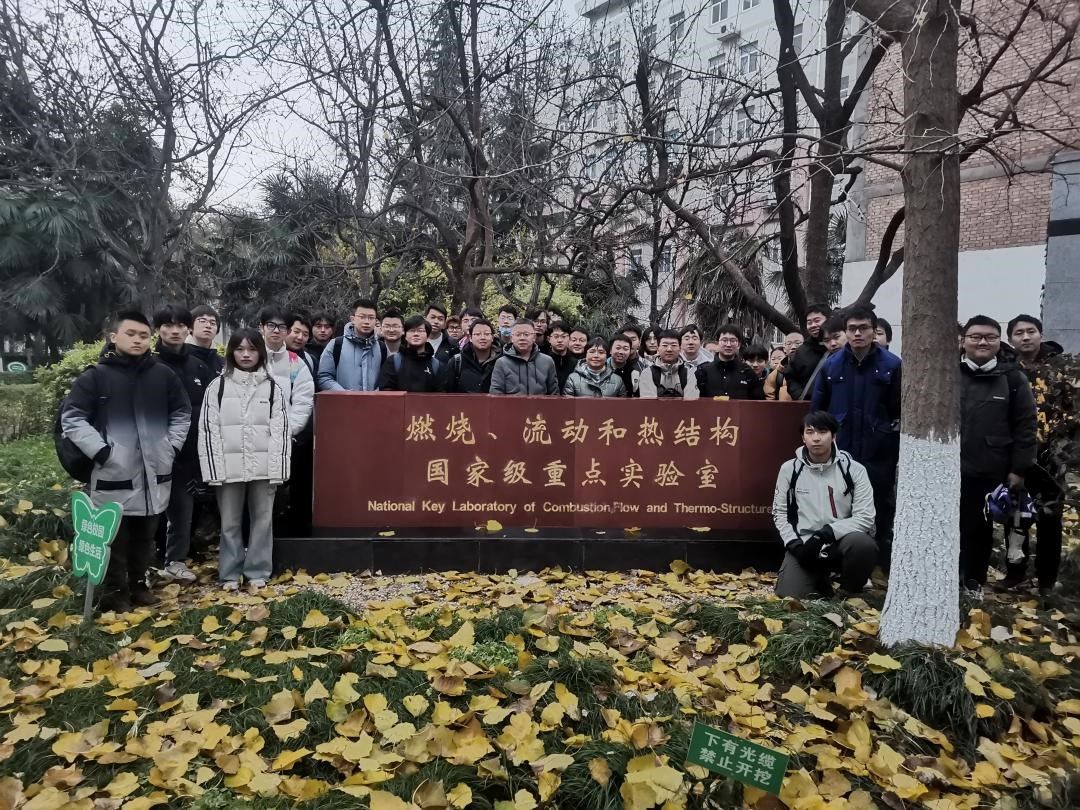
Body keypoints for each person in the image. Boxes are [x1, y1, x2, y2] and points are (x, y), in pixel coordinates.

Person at [61, 311, 191, 611]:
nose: (137, 340)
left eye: (144, 335)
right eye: (130, 334)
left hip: (154, 472)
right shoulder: (95, 376)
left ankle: (139, 586)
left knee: (145, 536)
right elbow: (73, 418)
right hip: (113, 472)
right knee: (114, 538)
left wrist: (170, 446)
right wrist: (102, 452)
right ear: (113, 336)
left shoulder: (163, 375)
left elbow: (181, 413)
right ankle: (116, 593)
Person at [198, 329, 290, 593]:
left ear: (260, 352)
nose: (246, 355)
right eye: (240, 349)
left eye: (251, 349)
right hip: (229, 468)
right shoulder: (217, 387)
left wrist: (279, 469)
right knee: (229, 522)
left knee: (262, 520)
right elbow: (208, 430)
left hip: (264, 467)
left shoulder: (272, 387)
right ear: (231, 353)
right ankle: (229, 573)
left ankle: (258, 571)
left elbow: (281, 431)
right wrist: (213, 470)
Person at [811, 305, 902, 562]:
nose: (858, 334)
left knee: (880, 504)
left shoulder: (892, 365)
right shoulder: (832, 365)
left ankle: (881, 559)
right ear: (846, 332)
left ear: (874, 331)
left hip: (879, 450)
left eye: (864, 328)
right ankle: (841, 559)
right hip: (843, 448)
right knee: (838, 503)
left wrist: (888, 434)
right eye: (852, 329)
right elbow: (818, 410)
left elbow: (899, 409)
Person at [959, 315, 1038, 598]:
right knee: (951, 525)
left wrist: (1019, 468)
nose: (982, 342)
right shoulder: (949, 374)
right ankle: (949, 578)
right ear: (963, 341)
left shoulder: (1013, 379)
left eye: (990, 337)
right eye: (975, 337)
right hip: (950, 467)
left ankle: (973, 582)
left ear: (999, 341)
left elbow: (1026, 427)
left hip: (991, 468)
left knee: (980, 529)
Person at [773, 411, 878, 598]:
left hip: (843, 541)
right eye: (810, 432)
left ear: (833, 436)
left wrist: (826, 533)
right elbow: (779, 513)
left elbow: (865, 517)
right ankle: (820, 579)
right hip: (805, 545)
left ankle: (849, 590)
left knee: (863, 545)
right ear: (803, 437)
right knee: (789, 595)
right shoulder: (789, 469)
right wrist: (795, 545)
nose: (816, 438)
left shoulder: (854, 470)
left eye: (822, 432)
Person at [1004, 314, 1065, 593]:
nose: (1026, 337)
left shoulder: (1061, 368)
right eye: (1019, 333)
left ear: (1041, 333)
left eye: (1031, 331)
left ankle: (1046, 579)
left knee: (1050, 517)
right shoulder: (1006, 370)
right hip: (1016, 452)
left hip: (1051, 456)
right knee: (1015, 515)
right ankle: (1015, 572)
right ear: (1010, 339)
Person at [152, 305, 214, 583]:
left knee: (182, 512)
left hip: (190, 452)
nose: (174, 331)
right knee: (150, 512)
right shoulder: (148, 364)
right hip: (154, 452)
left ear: (187, 328)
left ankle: (175, 561)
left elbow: (212, 407)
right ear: (158, 329)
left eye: (180, 325)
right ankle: (147, 564)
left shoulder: (198, 366)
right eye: (168, 325)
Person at [318, 299, 386, 392]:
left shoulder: (382, 348)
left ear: (375, 321)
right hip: (342, 400)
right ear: (353, 319)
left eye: (371, 318)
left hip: (374, 401)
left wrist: (375, 395)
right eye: (362, 317)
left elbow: (386, 380)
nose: (367, 321)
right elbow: (324, 377)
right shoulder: (336, 344)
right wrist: (345, 394)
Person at [490, 319, 559, 395]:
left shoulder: (547, 361)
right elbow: (496, 394)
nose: (522, 338)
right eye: (518, 334)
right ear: (512, 338)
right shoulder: (502, 363)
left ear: (534, 337)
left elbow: (554, 394)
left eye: (526, 334)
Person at [378, 315, 445, 392]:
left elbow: (441, 395)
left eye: (420, 330)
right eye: (412, 331)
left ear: (427, 335)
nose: (416, 334)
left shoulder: (436, 365)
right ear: (405, 335)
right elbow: (386, 391)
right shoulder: (393, 362)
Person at [696, 325, 765, 400]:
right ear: (717, 343)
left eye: (733, 341)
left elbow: (758, 402)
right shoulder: (704, 370)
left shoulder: (747, 372)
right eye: (724, 340)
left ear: (738, 345)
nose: (728, 344)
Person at [785, 304, 832, 400]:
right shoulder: (801, 351)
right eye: (809, 322)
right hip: (810, 404)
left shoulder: (840, 346)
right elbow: (790, 377)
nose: (813, 325)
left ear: (829, 320)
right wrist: (800, 395)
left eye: (817, 321)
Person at [639, 330, 700, 399]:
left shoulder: (688, 374)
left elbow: (691, 402)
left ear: (680, 348)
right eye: (665, 345)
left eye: (674, 345)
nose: (669, 349)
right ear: (658, 348)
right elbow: (648, 403)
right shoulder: (647, 373)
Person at [447, 319, 497, 393]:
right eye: (477, 334)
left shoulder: (500, 362)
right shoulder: (456, 362)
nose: (482, 337)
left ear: (492, 337)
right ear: (470, 338)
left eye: (486, 334)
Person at [187, 305, 225, 374]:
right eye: (202, 321)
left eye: (213, 323)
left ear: (217, 331)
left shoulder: (222, 363)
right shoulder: (179, 358)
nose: (208, 326)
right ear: (190, 327)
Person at [545, 321, 579, 393]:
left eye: (564, 336)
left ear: (569, 338)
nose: (560, 340)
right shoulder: (543, 362)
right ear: (548, 339)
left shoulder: (577, 364)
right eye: (556, 336)